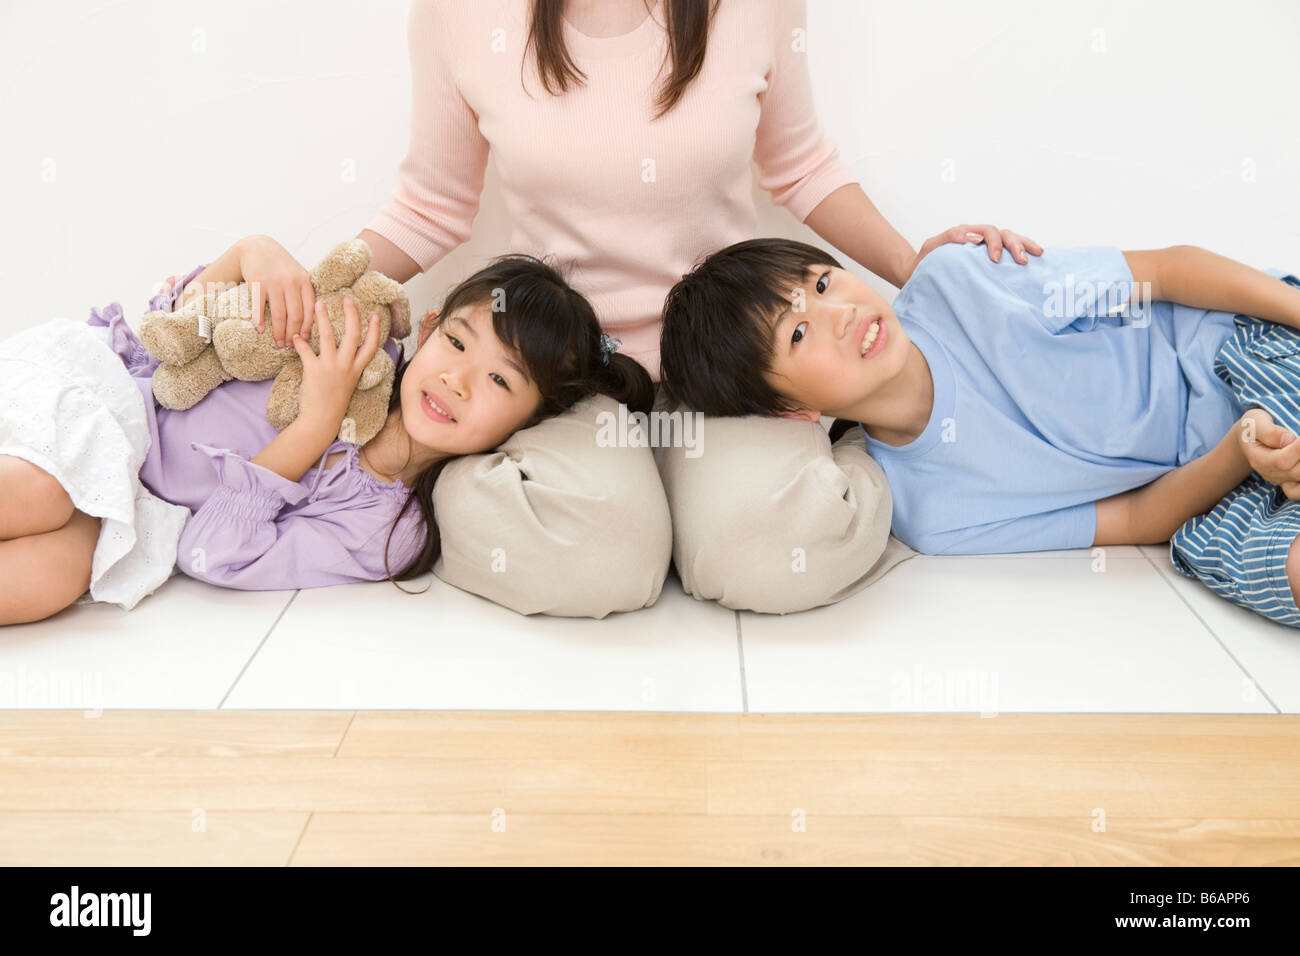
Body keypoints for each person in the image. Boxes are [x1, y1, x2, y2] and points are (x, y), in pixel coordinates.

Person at [235, 0, 1039, 616]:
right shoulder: (461, 14)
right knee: (599, 562)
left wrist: (916, 265)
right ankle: (649, 514)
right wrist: (297, 286)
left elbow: (801, 165)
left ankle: (813, 461)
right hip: (560, 372)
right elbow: (432, 206)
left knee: (773, 551)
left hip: (731, 362)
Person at [0, 236, 650, 626]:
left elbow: (211, 556)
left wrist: (315, 425)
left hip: (137, 505)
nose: (457, 380)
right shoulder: (361, 340)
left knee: (51, 578)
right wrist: (257, 250)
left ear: (529, 425)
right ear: (425, 330)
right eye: (456, 343)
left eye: (501, 381)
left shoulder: (387, 529)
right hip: (107, 394)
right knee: (43, 493)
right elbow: (186, 323)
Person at [657, 236, 1300, 626]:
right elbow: (1135, 520)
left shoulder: (958, 282)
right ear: (788, 412)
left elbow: (1169, 269)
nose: (839, 313)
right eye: (798, 333)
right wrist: (1239, 453)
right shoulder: (929, 512)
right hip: (1223, 481)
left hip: (1236, 353)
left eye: (822, 283)